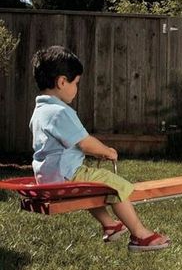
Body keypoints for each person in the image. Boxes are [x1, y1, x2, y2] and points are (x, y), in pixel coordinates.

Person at [30, 45, 170, 252]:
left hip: (47, 177)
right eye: (76, 83)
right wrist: (107, 151)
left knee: (92, 187)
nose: (77, 89)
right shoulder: (60, 111)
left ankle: (110, 224)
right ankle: (140, 234)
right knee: (115, 184)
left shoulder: (40, 112)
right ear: (61, 82)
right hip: (67, 175)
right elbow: (85, 142)